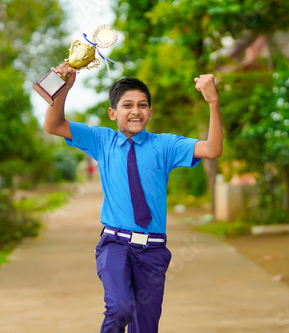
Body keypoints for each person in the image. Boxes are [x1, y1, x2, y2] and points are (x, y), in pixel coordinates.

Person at [43, 62, 223, 333]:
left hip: (153, 252)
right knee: (120, 307)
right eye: (127, 105)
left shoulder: (165, 145)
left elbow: (212, 148)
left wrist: (212, 101)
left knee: (145, 327)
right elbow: (53, 125)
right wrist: (65, 88)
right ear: (113, 113)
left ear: (150, 112)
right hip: (115, 245)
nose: (135, 111)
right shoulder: (101, 140)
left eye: (142, 105)